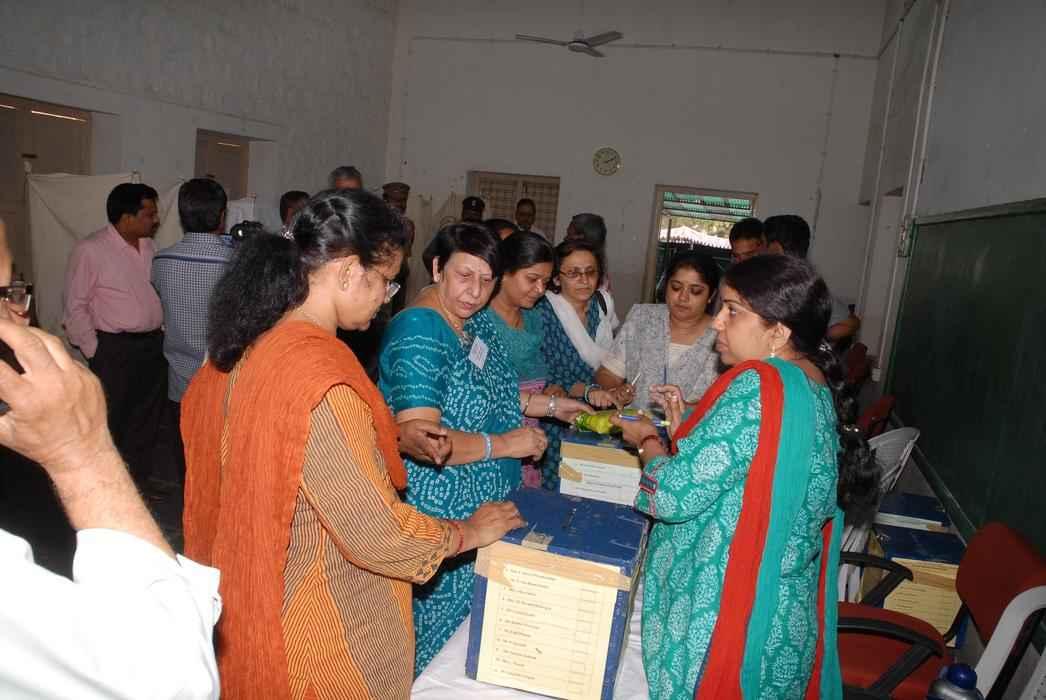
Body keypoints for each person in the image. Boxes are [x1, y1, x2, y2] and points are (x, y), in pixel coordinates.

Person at [181, 190, 525, 699]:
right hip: (316, 626)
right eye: (386, 281)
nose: (387, 297)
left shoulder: (238, 350)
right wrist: (468, 532)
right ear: (347, 272)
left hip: (248, 590)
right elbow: (377, 534)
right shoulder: (319, 379)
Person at [611, 254, 878, 700]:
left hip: (726, 619)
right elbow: (752, 470)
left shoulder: (758, 384)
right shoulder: (809, 384)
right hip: (778, 616)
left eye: (732, 310)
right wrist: (688, 429)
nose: (717, 322)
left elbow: (671, 497)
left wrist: (647, 441)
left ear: (779, 332)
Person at [379, 223, 590, 673]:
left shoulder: (469, 323)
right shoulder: (420, 330)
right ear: (438, 268)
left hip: (481, 510)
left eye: (486, 280)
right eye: (464, 276)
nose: (474, 292)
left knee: (468, 646)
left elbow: (491, 394)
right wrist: (506, 444)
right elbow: (424, 441)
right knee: (434, 651)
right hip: (442, 511)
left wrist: (552, 406)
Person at [0, 317, 221, 699]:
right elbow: (171, 681)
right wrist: (81, 452)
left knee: (141, 431)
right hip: (115, 349)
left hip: (147, 347)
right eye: (5, 298)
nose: (16, 317)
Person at [478, 232, 615, 487]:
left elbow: (546, 369)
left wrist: (553, 389)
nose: (540, 289)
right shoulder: (479, 320)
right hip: (493, 433)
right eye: (532, 279)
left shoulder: (533, 317)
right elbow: (478, 390)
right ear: (504, 272)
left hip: (533, 430)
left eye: (544, 281)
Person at [63, 183, 166, 486]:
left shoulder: (150, 247)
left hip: (152, 346)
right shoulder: (91, 250)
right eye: (149, 214)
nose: (155, 220)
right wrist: (96, 351)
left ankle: (138, 485)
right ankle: (105, 486)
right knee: (112, 421)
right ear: (126, 216)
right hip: (114, 349)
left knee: (146, 421)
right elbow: (74, 305)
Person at [151, 178, 233, 497]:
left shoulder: (161, 261)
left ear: (182, 215)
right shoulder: (234, 262)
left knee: (186, 461)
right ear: (222, 216)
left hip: (179, 379)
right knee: (221, 465)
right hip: (223, 380)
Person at [536, 239, 625, 489]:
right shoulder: (542, 311)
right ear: (556, 278)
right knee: (557, 485)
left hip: (597, 416)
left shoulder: (602, 306)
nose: (584, 280)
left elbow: (609, 365)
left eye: (590, 272)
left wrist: (615, 390)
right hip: (554, 416)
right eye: (574, 273)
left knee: (592, 486)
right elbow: (543, 374)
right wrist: (588, 391)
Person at [595, 251, 721, 412]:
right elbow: (608, 373)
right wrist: (614, 392)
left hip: (691, 427)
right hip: (631, 423)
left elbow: (723, 405)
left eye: (695, 291)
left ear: (711, 295)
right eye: (676, 287)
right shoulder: (643, 319)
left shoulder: (722, 336)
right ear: (665, 286)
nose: (683, 297)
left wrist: (685, 409)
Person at [764, 214, 861, 346]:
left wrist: (808, 339)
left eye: (763, 244)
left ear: (775, 247)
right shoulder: (808, 283)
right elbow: (851, 323)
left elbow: (851, 323)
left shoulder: (780, 284)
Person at [382, 182, 414, 314]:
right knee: (381, 314)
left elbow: (407, 252)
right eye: (396, 200)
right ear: (385, 200)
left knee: (397, 313)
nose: (400, 204)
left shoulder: (408, 225)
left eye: (403, 201)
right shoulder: (376, 223)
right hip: (382, 276)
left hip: (400, 275)